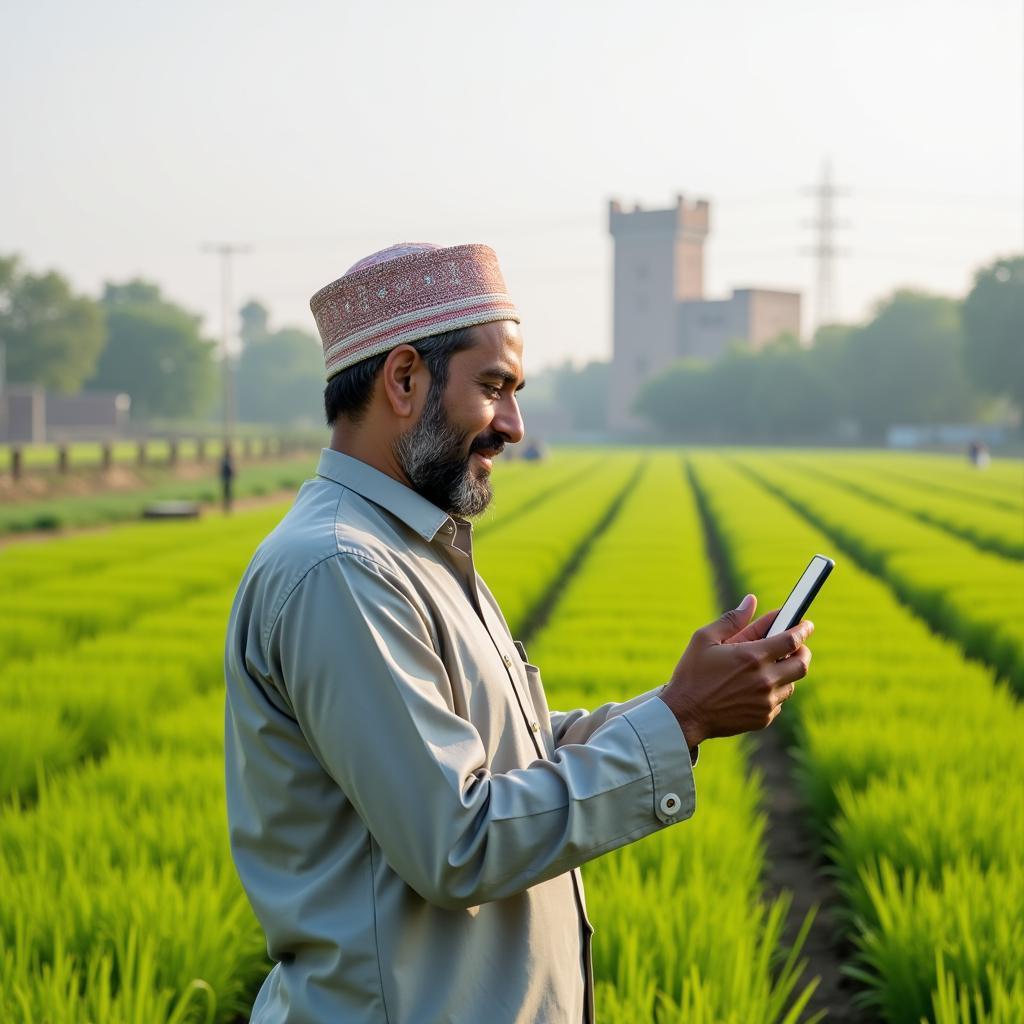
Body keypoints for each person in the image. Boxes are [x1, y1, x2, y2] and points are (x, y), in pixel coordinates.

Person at [223, 242, 813, 1024]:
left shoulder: (415, 553)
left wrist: (680, 703)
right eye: (494, 388)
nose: (515, 425)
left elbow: (512, 755)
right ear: (404, 380)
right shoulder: (342, 569)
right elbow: (456, 838)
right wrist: (685, 718)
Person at [220, 445, 236, 513]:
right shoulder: (228, 460)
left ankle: (227, 507)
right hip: (227, 479)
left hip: (225, 479)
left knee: (226, 494)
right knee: (228, 494)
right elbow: (232, 470)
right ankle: (227, 508)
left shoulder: (224, 460)